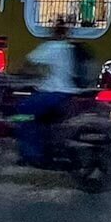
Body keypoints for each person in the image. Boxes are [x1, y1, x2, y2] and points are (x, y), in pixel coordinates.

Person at [20, 19, 82, 164]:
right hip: (69, 92)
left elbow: (29, 62)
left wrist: (24, 72)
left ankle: (32, 153)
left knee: (23, 113)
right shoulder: (69, 48)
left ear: (53, 31)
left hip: (53, 93)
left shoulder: (51, 47)